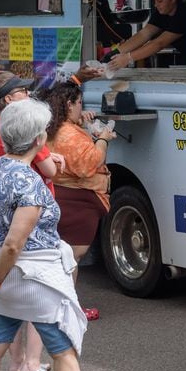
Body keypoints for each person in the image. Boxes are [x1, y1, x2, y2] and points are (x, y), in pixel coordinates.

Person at [0, 98, 87, 371]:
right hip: (37, 281)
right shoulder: (32, 185)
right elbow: (14, 244)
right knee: (64, 353)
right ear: (39, 139)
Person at [0, 71, 64, 371]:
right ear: (10, 97)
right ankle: (31, 364)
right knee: (36, 299)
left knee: (8, 300)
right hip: (28, 225)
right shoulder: (25, 126)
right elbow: (49, 169)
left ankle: (16, 362)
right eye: (24, 90)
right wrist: (50, 158)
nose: (28, 95)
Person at [42, 83, 115, 271]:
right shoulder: (70, 135)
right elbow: (90, 163)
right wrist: (103, 139)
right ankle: (67, 300)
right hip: (79, 200)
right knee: (72, 257)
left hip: (62, 194)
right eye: (80, 103)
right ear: (69, 105)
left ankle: (68, 300)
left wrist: (80, 123)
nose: (82, 107)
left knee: (66, 256)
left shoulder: (54, 127)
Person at [106, 0, 186, 70]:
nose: (156, 5)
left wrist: (128, 58)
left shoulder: (183, 15)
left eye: (160, 1)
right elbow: (144, 34)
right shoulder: (160, 14)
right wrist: (116, 52)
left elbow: (159, 43)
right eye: (154, 1)